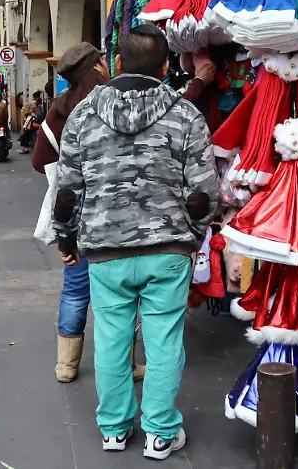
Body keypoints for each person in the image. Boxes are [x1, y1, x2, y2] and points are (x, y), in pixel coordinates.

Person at [52, 24, 217, 459]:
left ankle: (114, 428)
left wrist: (66, 238)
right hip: (169, 248)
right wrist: (193, 236)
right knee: (164, 339)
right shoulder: (186, 116)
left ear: (118, 62)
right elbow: (204, 193)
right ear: (165, 69)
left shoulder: (83, 116)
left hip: (105, 252)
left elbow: (67, 190)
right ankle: (161, 432)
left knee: (111, 337)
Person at [31, 43, 114, 384]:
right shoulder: (113, 102)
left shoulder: (58, 111)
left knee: (76, 287)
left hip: (75, 211)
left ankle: (67, 364)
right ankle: (121, 362)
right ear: (96, 67)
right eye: (103, 61)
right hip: (114, 209)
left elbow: (39, 161)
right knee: (118, 292)